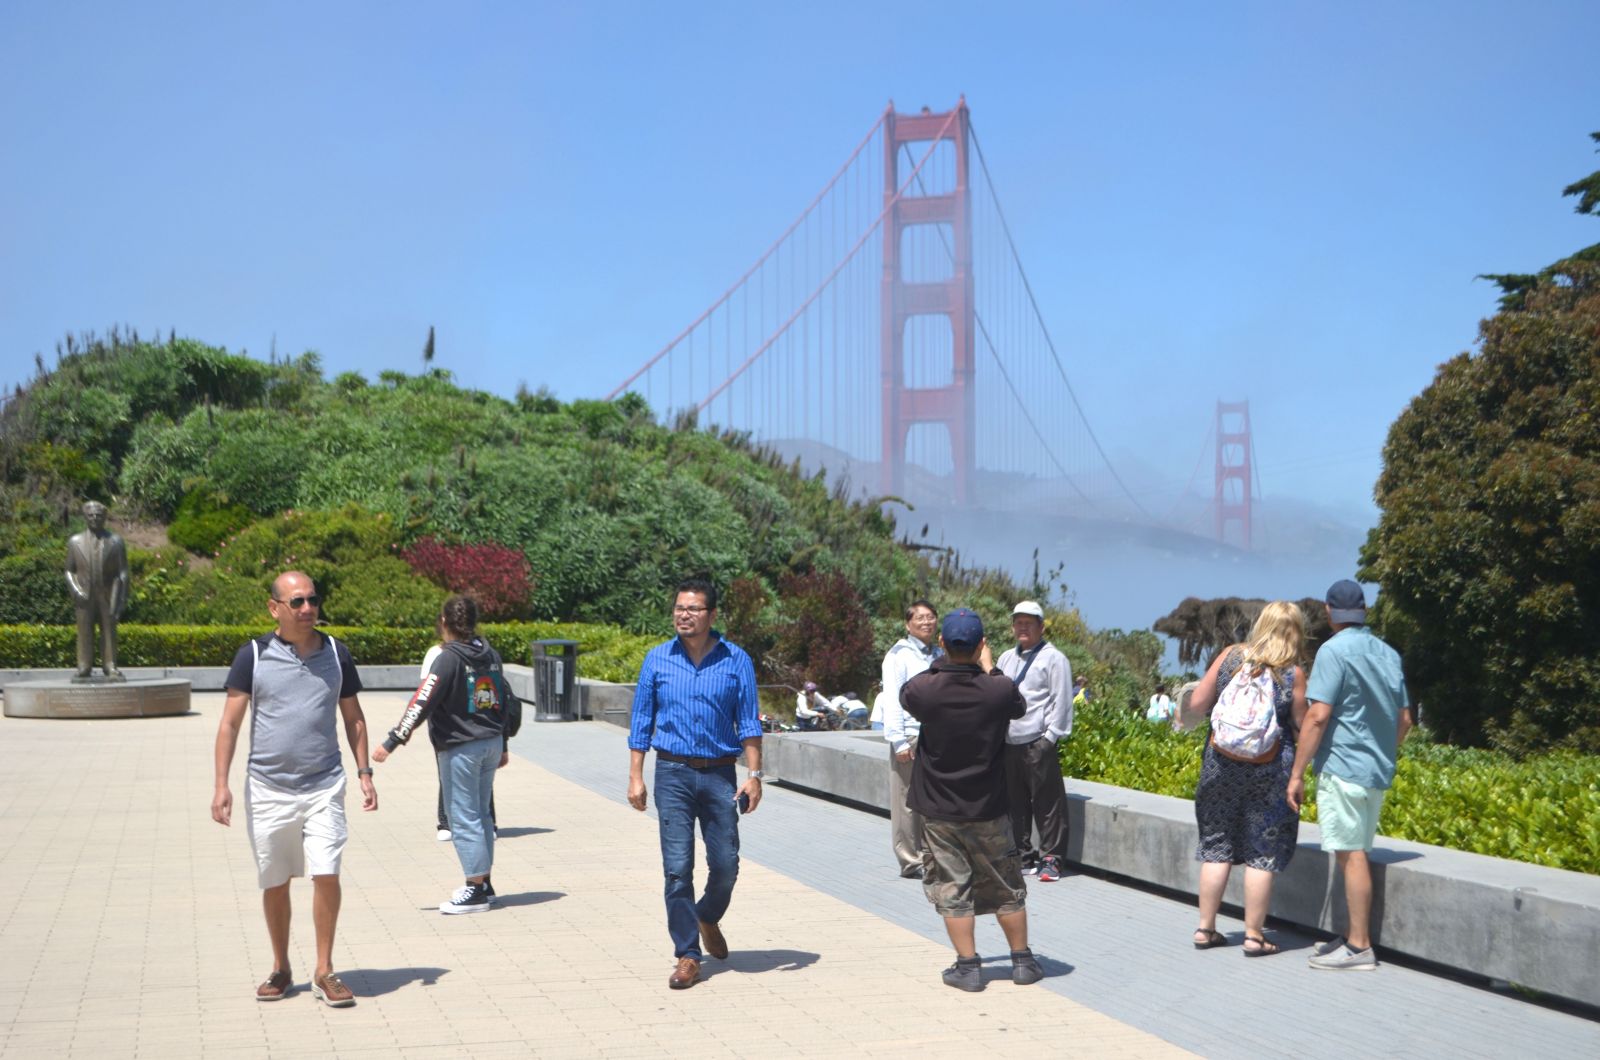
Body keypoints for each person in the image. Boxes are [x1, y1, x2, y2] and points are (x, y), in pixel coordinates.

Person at [211, 571, 378, 1008]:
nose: (308, 609)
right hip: (268, 788)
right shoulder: (253, 655)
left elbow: (354, 717)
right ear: (275, 608)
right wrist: (221, 785)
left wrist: (364, 772)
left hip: (324, 784)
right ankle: (282, 967)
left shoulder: (337, 653)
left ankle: (325, 970)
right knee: (276, 880)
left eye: (313, 600)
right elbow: (230, 723)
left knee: (327, 871)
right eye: (297, 601)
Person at [627, 578, 764, 990]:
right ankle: (687, 954)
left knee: (726, 864)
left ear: (712, 615)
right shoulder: (657, 659)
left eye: (693, 609)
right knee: (676, 870)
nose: (684, 615)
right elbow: (641, 721)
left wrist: (754, 775)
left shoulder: (736, 660)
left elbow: (750, 721)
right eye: (679, 608)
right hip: (672, 774)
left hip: (721, 773)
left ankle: (707, 914)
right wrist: (636, 775)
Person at [901, 608, 1042, 991]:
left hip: (939, 809)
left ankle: (968, 967)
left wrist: (942, 663)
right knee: (1006, 884)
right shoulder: (997, 689)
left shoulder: (924, 690)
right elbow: (1018, 703)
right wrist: (990, 667)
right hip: (989, 806)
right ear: (982, 645)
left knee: (952, 885)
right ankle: (1023, 961)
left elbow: (907, 693)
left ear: (943, 644)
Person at [1289, 580, 1412, 971]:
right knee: (1356, 850)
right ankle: (1349, 937)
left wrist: (1296, 773)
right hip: (1374, 769)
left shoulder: (1332, 651)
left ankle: (1359, 947)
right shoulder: (1388, 653)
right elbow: (1405, 719)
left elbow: (1318, 715)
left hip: (1342, 767)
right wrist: (1381, 752)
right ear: (1364, 611)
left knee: (1350, 854)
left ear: (1328, 611)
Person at [1186, 601, 1308, 956]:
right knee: (1262, 851)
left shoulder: (1231, 656)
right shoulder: (1292, 673)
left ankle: (1205, 929)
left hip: (1219, 765)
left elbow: (1196, 704)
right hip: (1270, 772)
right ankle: (1254, 936)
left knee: (1216, 845)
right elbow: (1300, 726)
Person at [374, 595, 510, 914]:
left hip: (461, 747)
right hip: (490, 742)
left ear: (444, 622)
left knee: (463, 817)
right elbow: (503, 700)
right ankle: (485, 883)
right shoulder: (490, 654)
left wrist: (394, 740)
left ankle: (474, 889)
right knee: (482, 815)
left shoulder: (447, 658)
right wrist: (503, 743)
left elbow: (423, 701)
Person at [996, 601, 1074, 882]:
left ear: (1041, 626)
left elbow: (1063, 701)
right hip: (1009, 741)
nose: (1023, 627)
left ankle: (1051, 858)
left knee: (1048, 803)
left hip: (1038, 741)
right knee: (1014, 803)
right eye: (1018, 622)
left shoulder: (1055, 659)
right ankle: (1022, 855)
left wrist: (1050, 738)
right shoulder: (1006, 658)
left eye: (1030, 622)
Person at [881, 599, 942, 879]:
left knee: (933, 800)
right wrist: (898, 740)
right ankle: (910, 860)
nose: (926, 622)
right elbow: (892, 699)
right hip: (908, 735)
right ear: (908, 624)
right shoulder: (898, 655)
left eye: (931, 617)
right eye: (920, 618)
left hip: (935, 735)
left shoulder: (940, 654)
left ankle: (932, 856)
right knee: (906, 801)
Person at [422, 622, 498, 843]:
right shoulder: (437, 654)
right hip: (447, 727)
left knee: (483, 776)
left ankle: (488, 821)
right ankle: (446, 821)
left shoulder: (483, 653)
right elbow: (426, 694)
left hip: (479, 725)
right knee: (448, 776)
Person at [64, 500, 129, 680]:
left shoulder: (115, 542)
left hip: (108, 594)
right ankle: (84, 666)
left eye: (99, 516)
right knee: (84, 631)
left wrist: (121, 598)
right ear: (85, 517)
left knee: (109, 631)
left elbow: (123, 572)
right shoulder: (74, 542)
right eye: (91, 515)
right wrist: (76, 591)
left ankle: (111, 666)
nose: (95, 518)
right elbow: (69, 571)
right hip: (84, 596)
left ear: (105, 518)